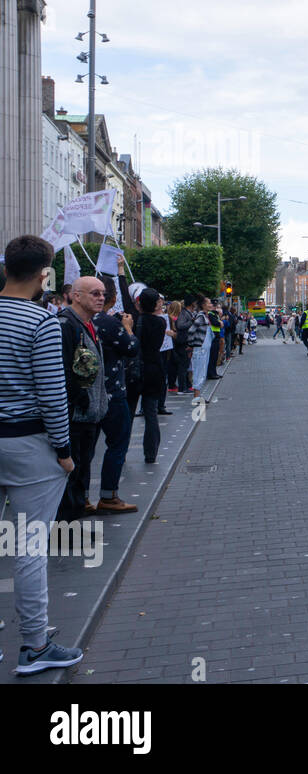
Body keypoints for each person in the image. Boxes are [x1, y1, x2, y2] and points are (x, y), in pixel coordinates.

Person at [0, 235, 86, 674]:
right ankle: (33, 645)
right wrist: (64, 451)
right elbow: (53, 394)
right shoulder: (41, 321)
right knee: (29, 545)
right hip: (28, 442)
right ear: (43, 274)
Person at [57, 275, 110, 522]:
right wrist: (81, 399)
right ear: (76, 295)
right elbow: (64, 370)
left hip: (90, 415)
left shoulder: (89, 325)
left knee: (82, 472)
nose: (101, 298)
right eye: (95, 293)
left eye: (102, 293)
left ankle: (74, 524)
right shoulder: (66, 325)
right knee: (72, 474)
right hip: (76, 416)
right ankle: (65, 528)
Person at [91, 274, 140, 514]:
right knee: (117, 444)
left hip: (85, 395)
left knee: (84, 450)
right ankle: (109, 496)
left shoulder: (74, 320)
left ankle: (79, 498)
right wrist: (128, 329)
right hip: (111, 392)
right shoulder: (110, 324)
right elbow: (131, 348)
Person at [135, 289, 168, 467]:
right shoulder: (160, 322)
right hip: (154, 367)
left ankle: (121, 451)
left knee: (129, 412)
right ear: (156, 304)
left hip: (136, 368)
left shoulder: (135, 321)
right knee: (151, 413)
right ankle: (151, 453)